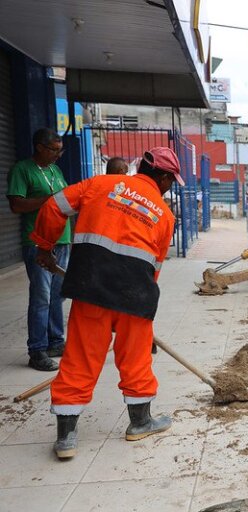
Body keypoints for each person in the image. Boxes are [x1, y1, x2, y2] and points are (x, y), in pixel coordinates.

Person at [30, 147, 182, 460]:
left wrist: (45, 247)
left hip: (91, 286)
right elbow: (154, 268)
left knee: (79, 359)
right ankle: (140, 423)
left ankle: (66, 439)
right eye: (171, 180)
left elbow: (53, 206)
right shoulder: (165, 216)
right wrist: (143, 313)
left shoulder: (100, 185)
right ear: (165, 177)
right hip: (135, 293)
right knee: (136, 358)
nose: (170, 186)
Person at [6, 128, 71, 372]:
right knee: (41, 296)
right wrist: (50, 200)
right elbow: (16, 205)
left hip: (62, 240)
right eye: (54, 150)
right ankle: (37, 350)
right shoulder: (22, 170)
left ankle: (56, 341)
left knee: (58, 295)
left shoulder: (55, 170)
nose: (58, 154)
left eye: (60, 150)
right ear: (40, 147)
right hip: (38, 242)